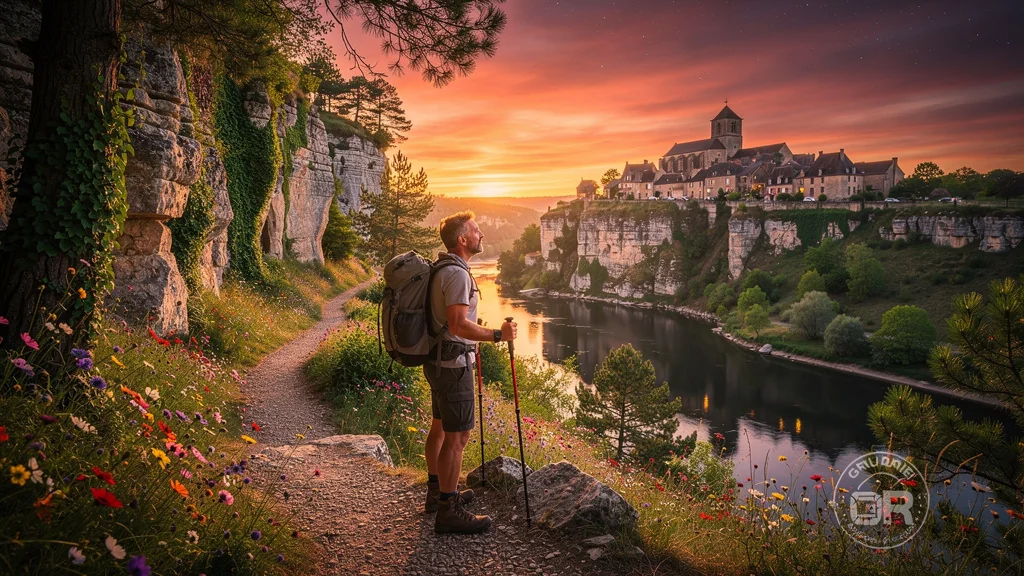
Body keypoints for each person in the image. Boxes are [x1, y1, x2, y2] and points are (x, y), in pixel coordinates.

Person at [424, 211, 516, 534]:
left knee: (440, 428)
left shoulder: (443, 268)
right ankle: (448, 511)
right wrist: (497, 335)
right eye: (476, 230)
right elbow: (458, 325)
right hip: (453, 366)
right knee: (458, 437)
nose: (481, 235)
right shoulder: (457, 275)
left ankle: (438, 493)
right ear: (462, 239)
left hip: (439, 362)